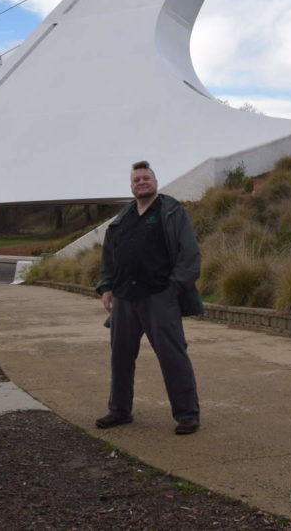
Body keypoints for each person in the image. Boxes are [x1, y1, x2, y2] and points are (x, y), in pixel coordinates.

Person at [95, 160, 203, 435]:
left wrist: (173, 288)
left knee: (172, 356)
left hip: (160, 297)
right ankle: (119, 411)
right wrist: (107, 287)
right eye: (136, 180)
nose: (141, 182)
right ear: (131, 186)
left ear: (155, 182)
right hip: (124, 298)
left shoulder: (171, 211)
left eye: (146, 178)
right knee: (120, 357)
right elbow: (109, 255)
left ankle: (187, 414)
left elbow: (189, 255)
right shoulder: (123, 218)